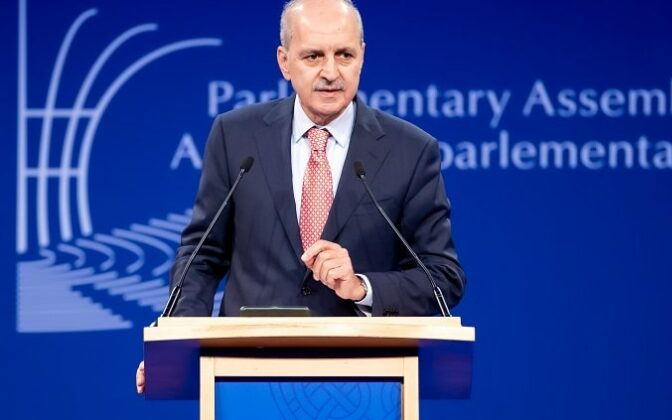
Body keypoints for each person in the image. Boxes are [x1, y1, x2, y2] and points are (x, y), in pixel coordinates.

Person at [136, 0, 465, 394]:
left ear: (362, 56)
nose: (331, 72)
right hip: (247, 375)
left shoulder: (410, 150)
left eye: (344, 55)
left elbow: (443, 278)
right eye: (313, 56)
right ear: (285, 62)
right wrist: (176, 346)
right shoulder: (235, 136)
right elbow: (201, 257)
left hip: (364, 381)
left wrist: (362, 286)